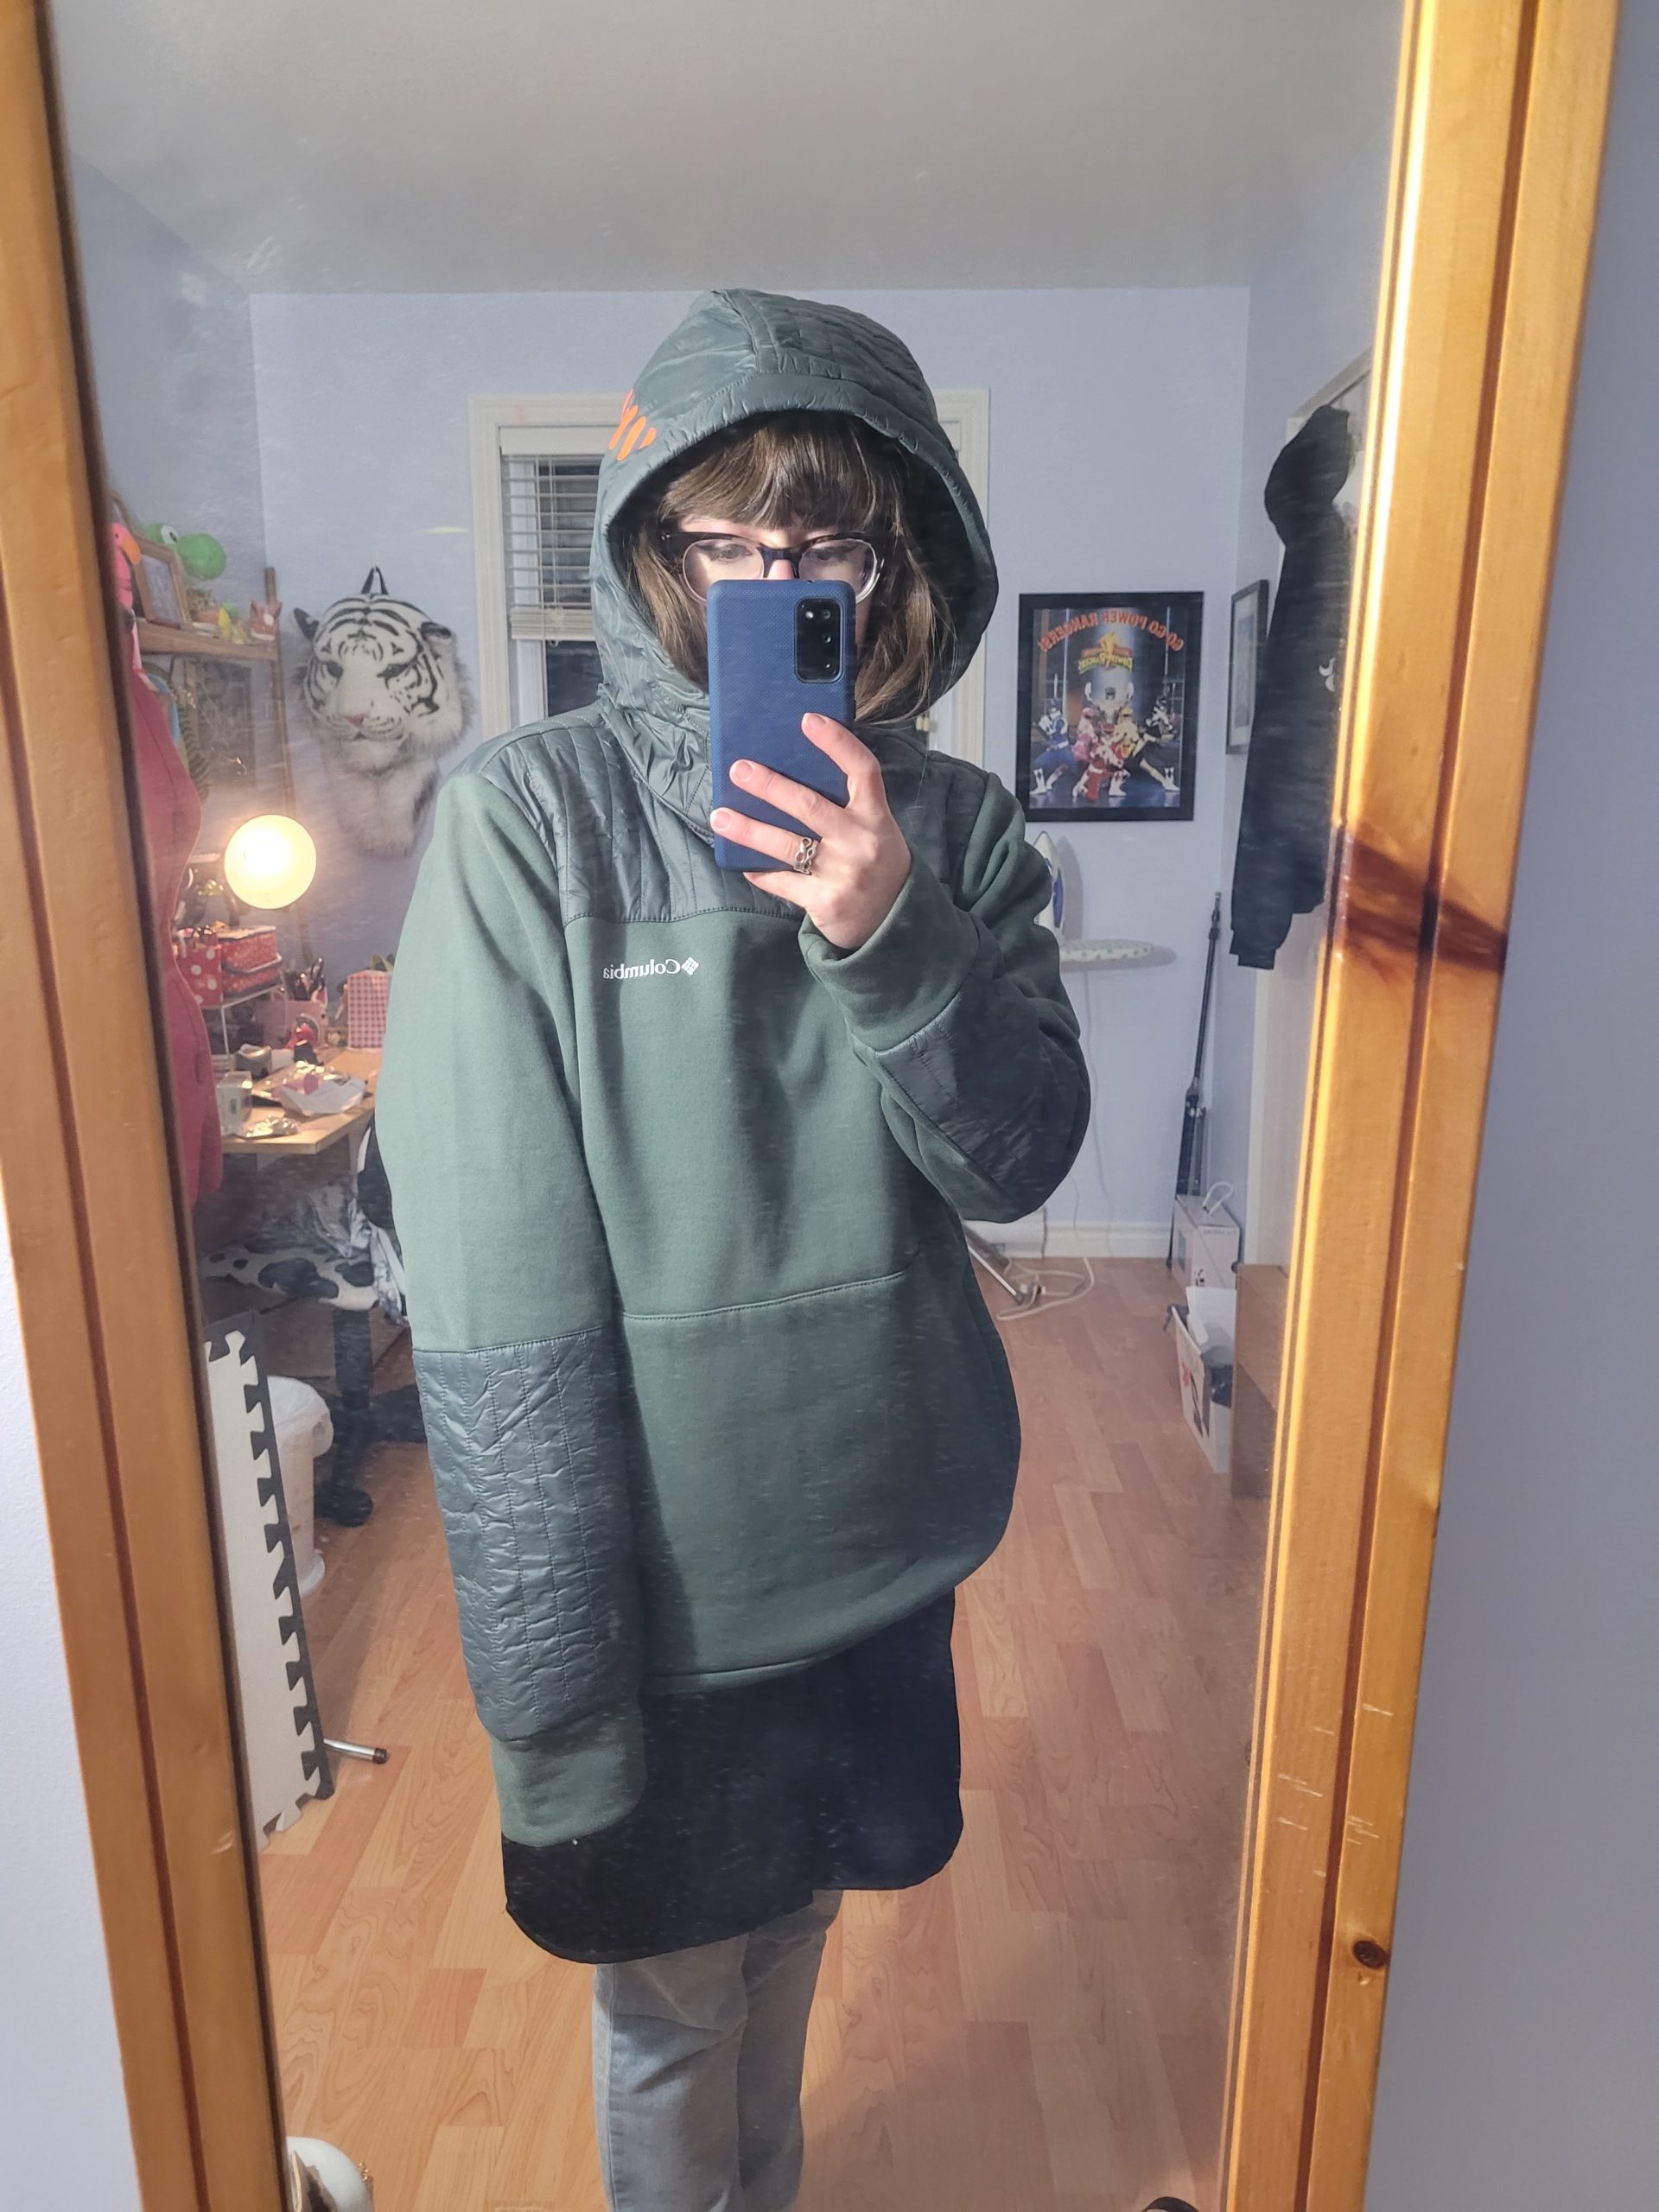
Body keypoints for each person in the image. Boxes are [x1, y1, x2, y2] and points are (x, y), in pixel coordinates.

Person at [375, 289, 1090, 2212]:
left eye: (825, 542)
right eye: (730, 541)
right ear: (654, 554)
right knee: (677, 2007)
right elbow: (500, 1299)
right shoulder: (526, 824)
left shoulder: (961, 828)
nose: (776, 582)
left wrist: (888, 928)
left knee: (803, 1926)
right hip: (668, 1585)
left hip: (886, 1536)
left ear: (895, 559)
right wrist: (551, 1676)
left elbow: (1017, 1160)